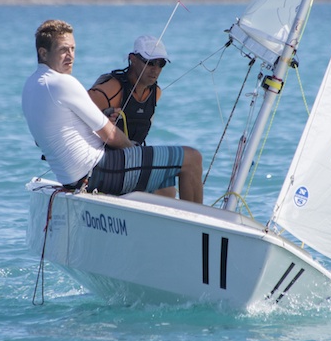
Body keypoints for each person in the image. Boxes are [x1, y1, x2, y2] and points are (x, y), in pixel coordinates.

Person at [21, 20, 203, 203]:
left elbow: (51, 134)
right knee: (192, 158)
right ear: (43, 53)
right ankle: (198, 220)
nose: (70, 56)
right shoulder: (63, 83)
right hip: (95, 171)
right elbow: (111, 134)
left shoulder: (30, 85)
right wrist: (135, 152)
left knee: (166, 188)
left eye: (73, 49)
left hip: (72, 178)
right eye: (63, 50)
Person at [89, 35, 176, 198]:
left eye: (161, 64)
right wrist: (102, 119)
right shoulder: (111, 90)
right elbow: (74, 119)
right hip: (103, 163)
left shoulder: (155, 93)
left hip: (132, 160)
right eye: (150, 62)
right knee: (186, 160)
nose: (155, 69)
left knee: (168, 185)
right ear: (133, 59)